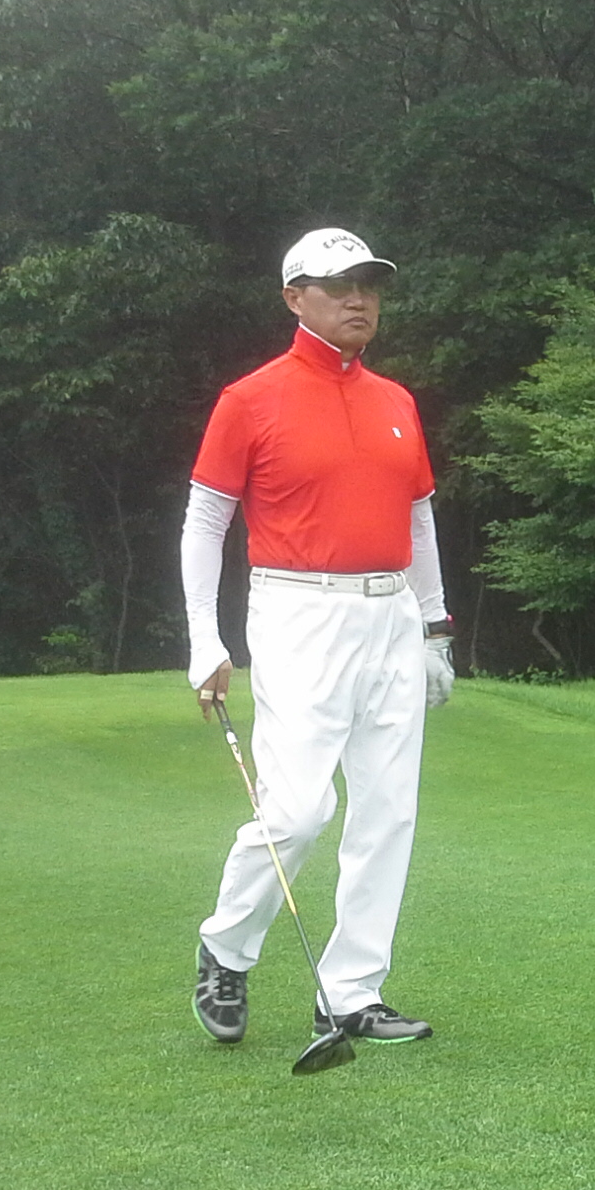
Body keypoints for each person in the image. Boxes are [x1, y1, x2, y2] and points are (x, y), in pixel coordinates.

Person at [183, 227, 454, 1047]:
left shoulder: (396, 400)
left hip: (391, 614)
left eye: (368, 285)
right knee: (299, 812)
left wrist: (435, 626)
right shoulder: (250, 399)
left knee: (387, 813)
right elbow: (206, 521)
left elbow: (418, 518)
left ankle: (351, 992)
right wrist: (203, 636)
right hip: (300, 612)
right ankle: (227, 946)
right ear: (295, 297)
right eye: (339, 286)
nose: (358, 300)